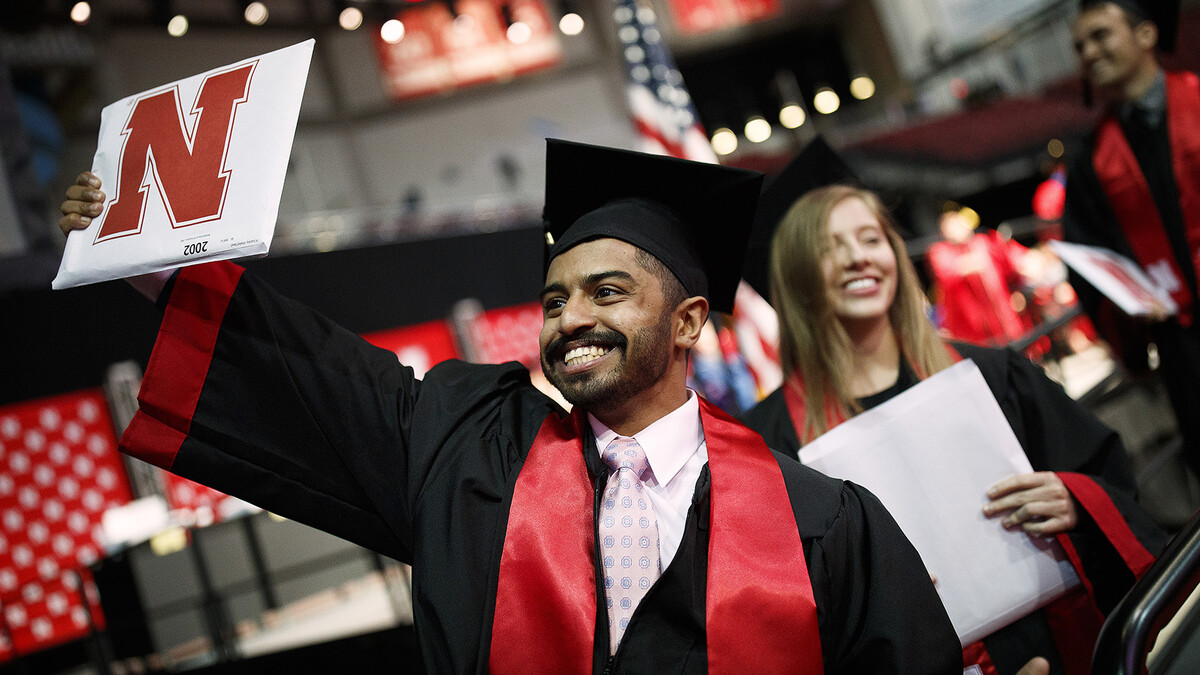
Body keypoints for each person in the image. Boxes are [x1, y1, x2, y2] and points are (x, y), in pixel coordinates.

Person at [59, 140, 961, 673]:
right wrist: (154, 264)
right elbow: (318, 375)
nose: (571, 319)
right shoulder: (473, 456)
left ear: (689, 321)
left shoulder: (820, 516)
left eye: (607, 292)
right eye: (556, 298)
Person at [741, 183, 1166, 675]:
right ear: (797, 275)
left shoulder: (992, 374)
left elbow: (1110, 478)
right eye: (829, 248)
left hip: (1062, 648)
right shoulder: (771, 445)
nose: (858, 258)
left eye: (871, 239)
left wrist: (1076, 500)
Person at [1061, 0, 1200, 478]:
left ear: (1145, 35)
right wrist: (1131, 305)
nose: (1088, 52)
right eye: (1080, 45)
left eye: (1100, 35)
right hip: (1186, 351)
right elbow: (1088, 258)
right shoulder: (1091, 163)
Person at [926, 205, 1032, 347]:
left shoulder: (982, 242)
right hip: (971, 332)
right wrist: (972, 263)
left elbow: (1010, 262)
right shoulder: (940, 252)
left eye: (959, 223)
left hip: (1004, 321)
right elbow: (947, 273)